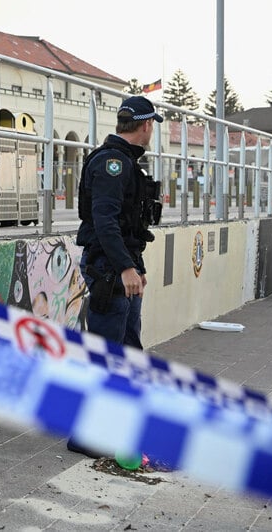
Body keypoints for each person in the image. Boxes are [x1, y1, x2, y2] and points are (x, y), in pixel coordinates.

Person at [69, 95, 164, 458]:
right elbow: (105, 222)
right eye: (152, 124)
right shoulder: (112, 163)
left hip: (123, 268)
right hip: (110, 272)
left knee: (128, 352)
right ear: (146, 126)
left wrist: (135, 268)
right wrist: (126, 268)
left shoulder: (124, 162)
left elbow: (124, 226)